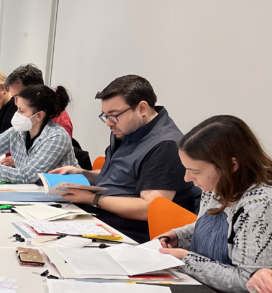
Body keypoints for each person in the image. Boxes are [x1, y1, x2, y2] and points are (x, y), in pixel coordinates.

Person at [50, 75, 198, 243]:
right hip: (99, 222)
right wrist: (83, 174)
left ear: (142, 108)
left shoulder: (165, 146)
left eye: (114, 115)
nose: (109, 123)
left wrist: (93, 199)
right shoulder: (127, 130)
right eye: (105, 115)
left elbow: (149, 208)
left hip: (130, 236)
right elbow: (121, 177)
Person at [155, 116, 272, 293]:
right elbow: (212, 225)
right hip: (201, 289)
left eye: (195, 171)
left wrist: (187, 260)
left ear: (231, 166)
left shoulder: (261, 205)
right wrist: (179, 236)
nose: (187, 178)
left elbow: (249, 283)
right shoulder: (216, 185)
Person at [4, 64, 73, 137]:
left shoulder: (59, 122)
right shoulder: (28, 115)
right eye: (13, 97)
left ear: (35, 91)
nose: (16, 103)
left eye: (18, 97)